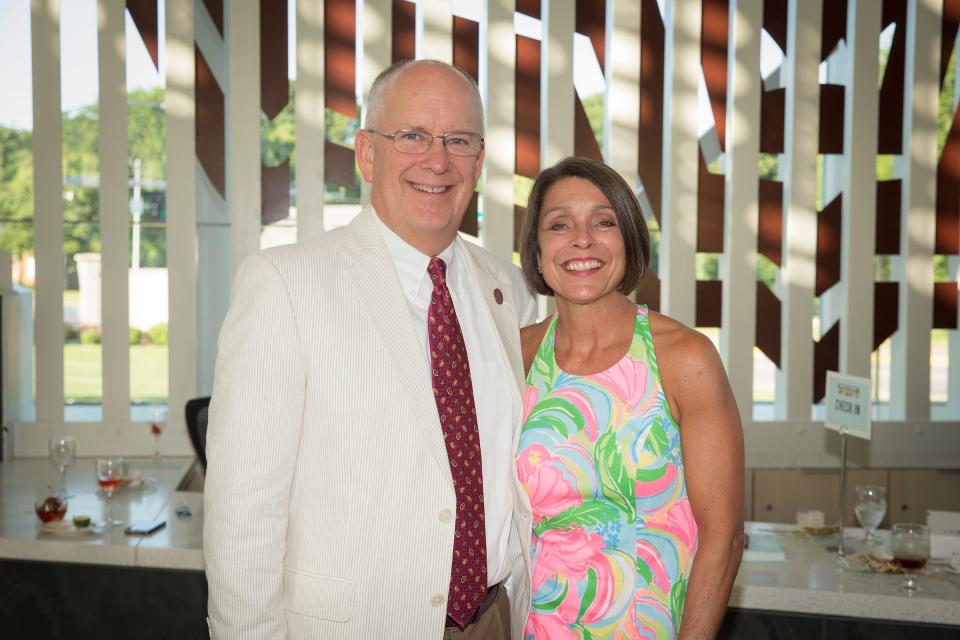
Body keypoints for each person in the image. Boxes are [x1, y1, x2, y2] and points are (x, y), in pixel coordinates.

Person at [203, 60, 537, 639]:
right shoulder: (284, 286)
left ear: (478, 163)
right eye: (412, 136)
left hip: (495, 621)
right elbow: (243, 515)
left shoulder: (512, 294)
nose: (438, 160)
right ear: (366, 153)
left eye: (459, 140)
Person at [516, 156, 744, 639]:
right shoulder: (516, 354)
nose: (582, 239)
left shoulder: (685, 358)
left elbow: (723, 537)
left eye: (604, 222)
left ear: (631, 240)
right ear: (537, 253)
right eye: (560, 225)